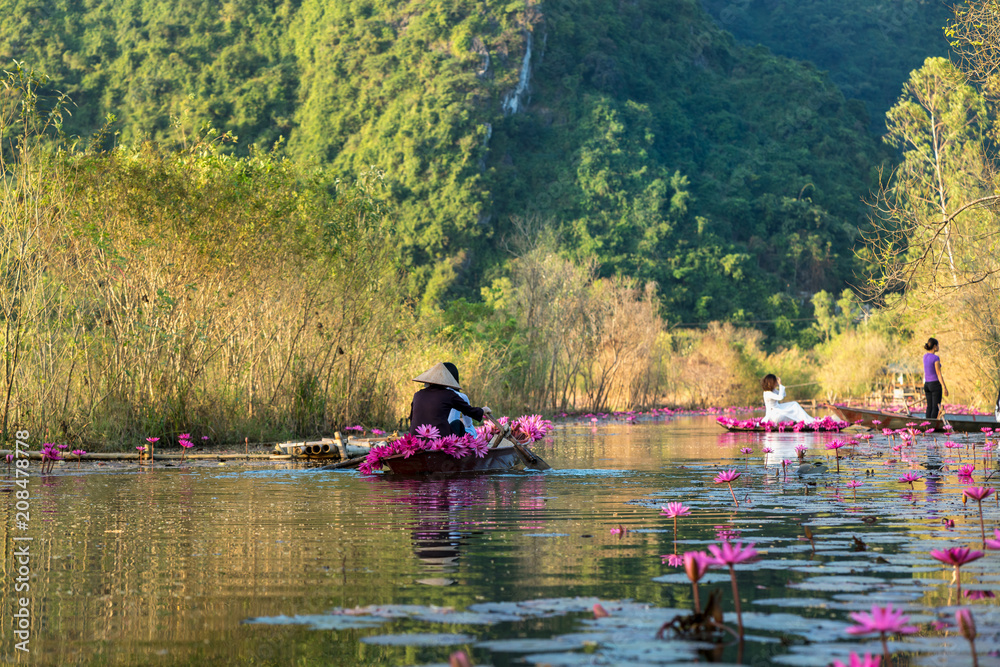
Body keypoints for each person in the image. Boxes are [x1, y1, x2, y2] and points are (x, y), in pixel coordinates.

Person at [409, 362, 491, 437]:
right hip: (440, 440)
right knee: (457, 424)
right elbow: (469, 411)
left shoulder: (417, 394)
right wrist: (483, 410)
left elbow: (412, 418)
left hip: (415, 439)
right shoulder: (449, 395)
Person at [443, 362, 478, 437]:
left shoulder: (431, 396)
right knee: (470, 428)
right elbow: (468, 423)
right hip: (452, 435)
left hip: (434, 434)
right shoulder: (460, 396)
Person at [923, 337, 948, 420]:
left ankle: (927, 425)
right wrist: (944, 387)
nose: (938, 347)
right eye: (937, 345)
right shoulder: (935, 358)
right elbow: (938, 373)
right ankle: (932, 425)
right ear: (934, 346)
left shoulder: (925, 357)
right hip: (935, 385)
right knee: (935, 407)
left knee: (929, 406)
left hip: (927, 385)